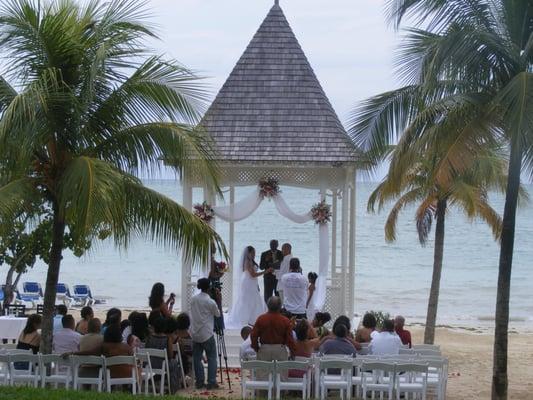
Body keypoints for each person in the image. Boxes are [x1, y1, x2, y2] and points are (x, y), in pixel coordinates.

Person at [227, 246, 272, 327]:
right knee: (247, 299)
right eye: (252, 253)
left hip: (251, 282)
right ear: (248, 253)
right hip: (248, 281)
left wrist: (257, 285)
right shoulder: (247, 262)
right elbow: (253, 274)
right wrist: (266, 271)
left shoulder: (251, 261)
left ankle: (252, 319)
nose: (254, 254)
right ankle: (247, 319)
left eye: (254, 253)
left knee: (253, 298)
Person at [190, 278, 220, 390]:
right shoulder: (210, 301)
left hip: (195, 333)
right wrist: (218, 299)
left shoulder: (193, 299)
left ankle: (199, 381)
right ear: (209, 288)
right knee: (212, 357)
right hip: (207, 333)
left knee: (197, 359)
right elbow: (217, 314)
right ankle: (211, 381)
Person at [250, 297, 296, 369]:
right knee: (281, 377)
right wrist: (293, 352)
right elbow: (290, 339)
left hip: (264, 349)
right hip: (280, 350)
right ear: (280, 307)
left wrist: (257, 348)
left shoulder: (261, 319)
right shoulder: (285, 320)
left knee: (263, 377)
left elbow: (253, 336)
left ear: (268, 305)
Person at [146, 316, 179, 394]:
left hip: (149, 365)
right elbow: (170, 355)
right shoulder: (167, 339)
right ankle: (173, 388)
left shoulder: (149, 338)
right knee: (174, 363)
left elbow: (145, 350)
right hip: (163, 365)